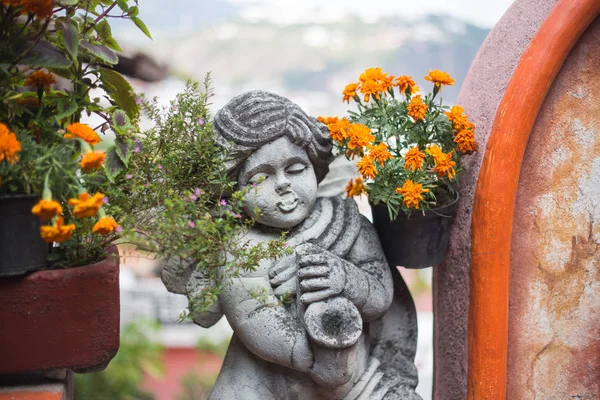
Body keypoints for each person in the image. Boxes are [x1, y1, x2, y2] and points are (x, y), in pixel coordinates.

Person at [163, 90, 421, 400]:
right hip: (264, 378)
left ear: (315, 164)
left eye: (296, 169)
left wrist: (346, 278)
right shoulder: (238, 247)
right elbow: (254, 318)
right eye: (261, 178)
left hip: (357, 376)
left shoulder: (346, 223)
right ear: (233, 191)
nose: (283, 183)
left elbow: (381, 296)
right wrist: (314, 358)